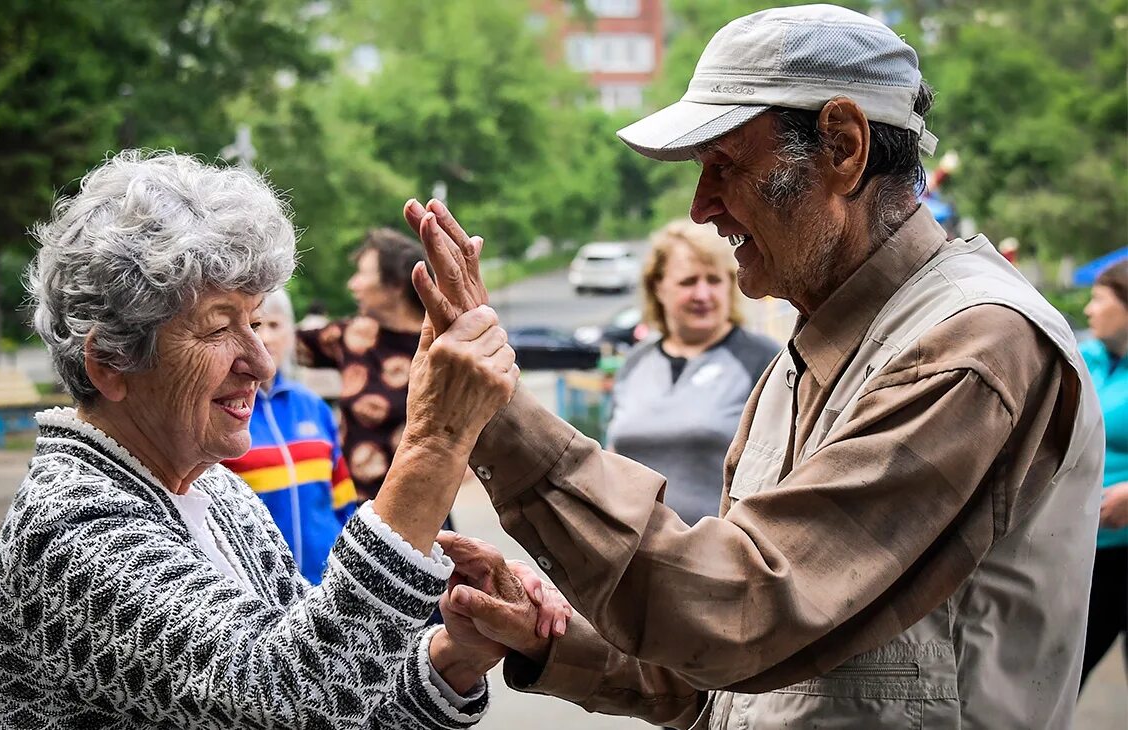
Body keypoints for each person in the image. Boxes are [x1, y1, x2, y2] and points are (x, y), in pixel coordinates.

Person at [403, 5, 1104, 729]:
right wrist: (548, 636)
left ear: (843, 146)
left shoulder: (974, 346)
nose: (703, 206)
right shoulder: (810, 355)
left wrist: (501, 414)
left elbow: (744, 613)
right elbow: (739, 684)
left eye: (726, 164)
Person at [0, 150, 570, 728]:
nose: (260, 363)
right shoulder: (71, 527)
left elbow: (341, 705)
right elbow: (292, 690)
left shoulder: (216, 492)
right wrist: (436, 439)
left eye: (256, 321)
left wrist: (455, 657)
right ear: (110, 361)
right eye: (218, 328)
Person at [607, 220, 778, 526]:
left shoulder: (762, 359)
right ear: (657, 287)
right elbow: (611, 458)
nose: (703, 294)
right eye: (688, 282)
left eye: (714, 280)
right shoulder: (635, 363)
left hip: (720, 556)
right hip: (630, 556)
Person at [222, 288, 358, 585]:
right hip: (259, 589)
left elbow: (344, 503)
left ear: (291, 332)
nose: (266, 338)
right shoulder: (223, 411)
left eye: (275, 325)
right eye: (257, 326)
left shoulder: (313, 407)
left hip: (328, 583)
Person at [298, 229, 440, 503]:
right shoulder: (353, 337)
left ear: (396, 285)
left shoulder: (441, 348)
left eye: (362, 273)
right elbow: (276, 344)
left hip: (419, 511)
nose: (353, 284)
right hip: (353, 510)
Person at [1079, 260, 1128, 688]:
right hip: (1089, 552)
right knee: (1059, 677)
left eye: (1099, 299)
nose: (1089, 310)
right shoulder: (1086, 356)